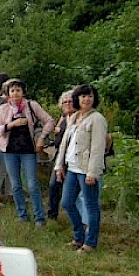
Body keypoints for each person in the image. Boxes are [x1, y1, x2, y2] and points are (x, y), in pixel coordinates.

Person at [55, 84, 108, 253]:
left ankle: (90, 243)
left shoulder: (97, 119)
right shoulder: (74, 117)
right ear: (77, 98)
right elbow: (64, 144)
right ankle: (79, 236)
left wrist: (93, 172)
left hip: (87, 169)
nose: (86, 99)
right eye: (83, 96)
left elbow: (98, 148)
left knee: (91, 205)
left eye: (90, 96)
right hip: (72, 167)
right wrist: (59, 166)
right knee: (67, 202)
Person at [0, 79, 55, 226]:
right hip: (10, 151)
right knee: (15, 184)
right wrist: (11, 125)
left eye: (18, 90)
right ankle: (22, 215)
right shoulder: (4, 109)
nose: (15, 94)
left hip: (28, 150)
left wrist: (42, 137)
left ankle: (39, 217)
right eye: (12, 91)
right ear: (8, 94)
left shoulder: (31, 106)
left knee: (32, 184)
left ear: (23, 92)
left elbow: (50, 121)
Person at [47, 90, 75, 219]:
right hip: (60, 156)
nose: (68, 104)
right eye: (65, 102)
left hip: (74, 157)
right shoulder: (64, 117)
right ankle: (52, 214)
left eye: (70, 101)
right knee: (54, 185)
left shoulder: (79, 117)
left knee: (72, 189)